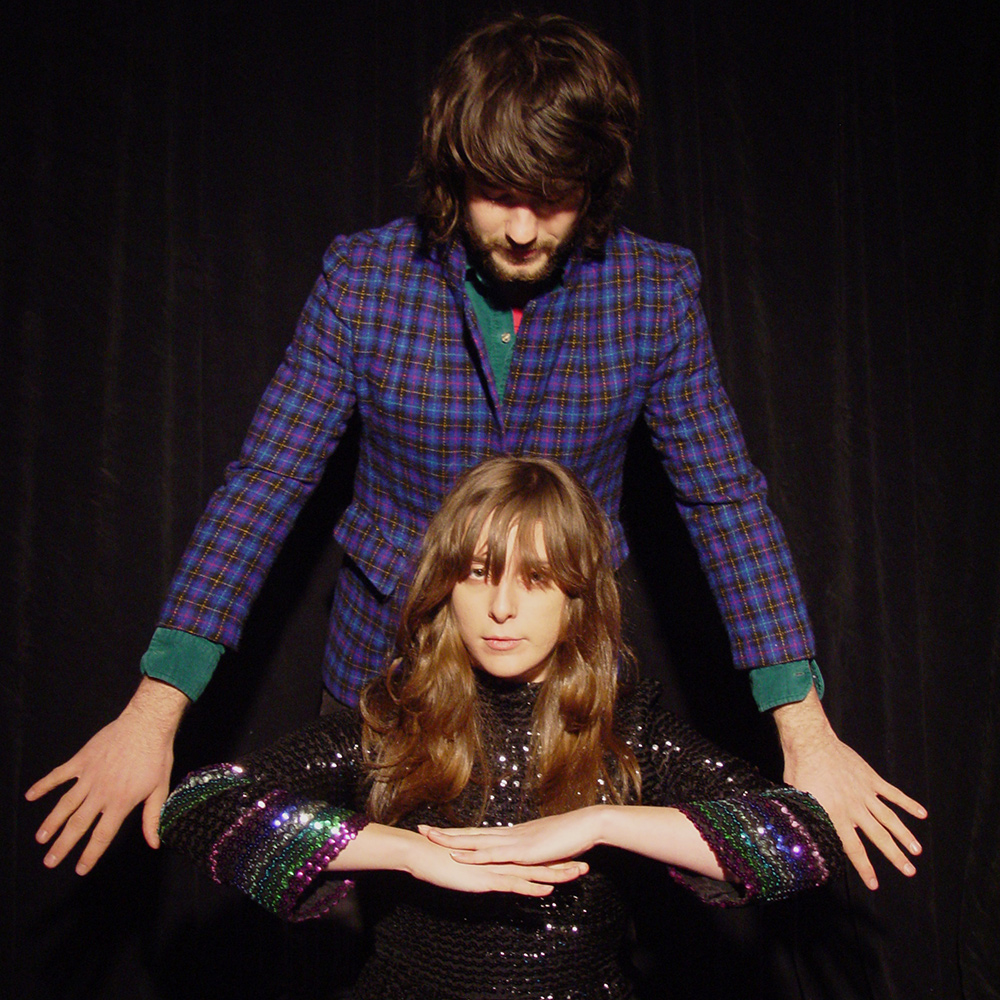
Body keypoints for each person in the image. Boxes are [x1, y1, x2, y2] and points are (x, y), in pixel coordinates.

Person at [27, 13, 924, 888]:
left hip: (565, 684)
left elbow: (723, 500)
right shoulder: (363, 280)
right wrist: (155, 712)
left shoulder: (654, 292)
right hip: (385, 669)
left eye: (554, 196)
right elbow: (265, 484)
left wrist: (805, 728)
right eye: (499, 193)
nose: (525, 230)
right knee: (365, 926)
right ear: (452, 175)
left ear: (597, 183)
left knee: (559, 921)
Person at [159, 457, 845, 1000]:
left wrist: (601, 823)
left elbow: (804, 839)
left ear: (577, 597)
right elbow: (198, 805)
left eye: (536, 578)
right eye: (478, 574)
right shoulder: (395, 721)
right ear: (445, 588)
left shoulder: (626, 729)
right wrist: (409, 853)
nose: (502, 607)